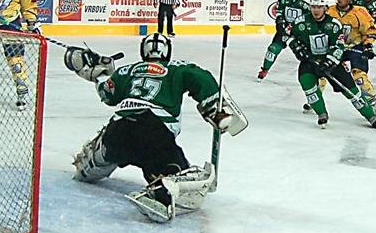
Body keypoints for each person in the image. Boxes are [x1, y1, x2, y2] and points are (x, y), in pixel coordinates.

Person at [64, 33, 247, 222]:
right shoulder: (178, 68)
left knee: (102, 155)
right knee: (177, 175)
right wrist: (214, 106)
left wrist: (101, 74)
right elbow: (201, 78)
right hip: (153, 134)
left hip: (118, 130)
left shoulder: (128, 70)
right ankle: (163, 192)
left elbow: (108, 95)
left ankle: (91, 162)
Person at [289, 0, 376, 129]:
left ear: (325, 8)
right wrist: (297, 49)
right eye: (313, 7)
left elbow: (338, 46)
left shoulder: (334, 24)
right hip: (310, 62)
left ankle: (369, 114)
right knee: (307, 83)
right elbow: (290, 37)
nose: (316, 10)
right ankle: (322, 113)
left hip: (331, 63)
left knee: (350, 90)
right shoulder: (300, 22)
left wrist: (329, 62)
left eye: (319, 7)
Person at [327, 0, 376, 115]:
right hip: (336, 48)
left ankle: (371, 101)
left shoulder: (360, 12)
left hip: (355, 47)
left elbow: (370, 31)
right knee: (324, 70)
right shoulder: (329, 11)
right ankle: (315, 98)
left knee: (359, 75)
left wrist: (367, 45)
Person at [258, 0, 310, 80]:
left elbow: (308, 19)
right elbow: (279, 12)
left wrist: (298, 29)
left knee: (306, 56)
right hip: (284, 30)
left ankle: (314, 76)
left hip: (299, 33)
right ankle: (265, 69)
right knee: (272, 49)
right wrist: (280, 24)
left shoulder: (307, 1)